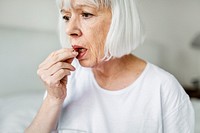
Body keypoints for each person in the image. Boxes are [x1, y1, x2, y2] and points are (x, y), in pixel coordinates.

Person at [25, 0, 195, 132]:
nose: (70, 29)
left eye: (86, 14)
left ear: (119, 21)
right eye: (66, 17)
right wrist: (53, 99)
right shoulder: (65, 80)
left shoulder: (164, 88)